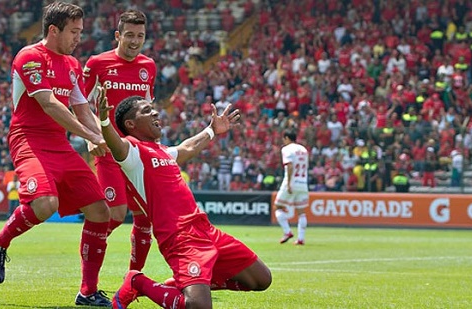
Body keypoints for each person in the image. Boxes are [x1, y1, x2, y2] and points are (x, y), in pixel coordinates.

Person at [0, 2, 112, 307]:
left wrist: (104, 134)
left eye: (80, 31)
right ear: (53, 30)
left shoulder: (70, 64)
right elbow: (50, 105)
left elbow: (82, 108)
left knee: (100, 212)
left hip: (59, 143)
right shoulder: (29, 57)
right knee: (44, 203)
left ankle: (87, 292)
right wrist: (92, 136)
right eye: (74, 31)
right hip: (28, 139)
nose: (78, 38)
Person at [99, 94, 271, 309]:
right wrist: (105, 121)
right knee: (198, 306)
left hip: (205, 230)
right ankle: (137, 281)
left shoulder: (161, 151)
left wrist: (211, 130)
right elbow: (116, 146)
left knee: (261, 279)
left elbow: (188, 148)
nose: (154, 112)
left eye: (152, 108)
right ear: (130, 124)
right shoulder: (132, 153)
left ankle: (186, 283)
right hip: (179, 236)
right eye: (146, 111)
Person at [83, 9, 157, 272]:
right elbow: (78, 102)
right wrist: (91, 135)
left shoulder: (148, 66)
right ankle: (90, 248)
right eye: (129, 35)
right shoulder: (97, 63)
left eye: (140, 35)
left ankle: (133, 279)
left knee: (145, 217)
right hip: (108, 147)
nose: (135, 41)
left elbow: (147, 109)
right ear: (117, 35)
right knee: (115, 214)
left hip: (138, 152)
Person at [273, 130, 310, 246]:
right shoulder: (304, 150)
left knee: (277, 206)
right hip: (303, 182)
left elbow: (289, 165)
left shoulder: (287, 149)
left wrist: (289, 183)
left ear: (287, 138)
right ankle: (301, 239)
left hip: (291, 182)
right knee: (301, 212)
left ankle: (287, 232)